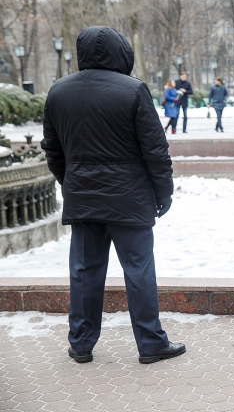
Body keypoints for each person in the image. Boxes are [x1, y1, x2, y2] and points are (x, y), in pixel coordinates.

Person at [41, 26, 184, 364]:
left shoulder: (58, 92)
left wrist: (71, 182)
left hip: (84, 199)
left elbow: (52, 150)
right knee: (138, 270)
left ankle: (80, 343)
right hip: (130, 199)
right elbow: (155, 150)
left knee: (84, 271)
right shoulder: (133, 90)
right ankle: (151, 344)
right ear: (122, 53)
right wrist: (163, 192)